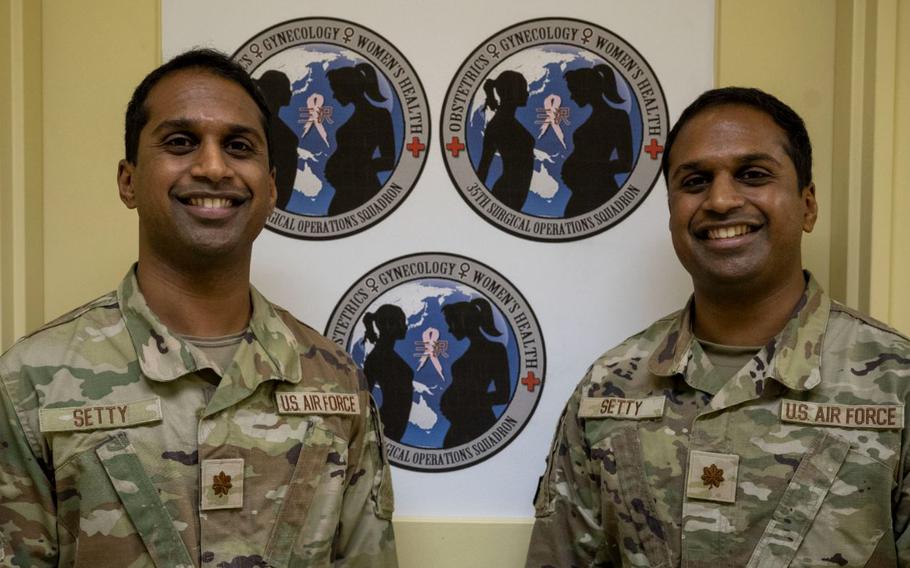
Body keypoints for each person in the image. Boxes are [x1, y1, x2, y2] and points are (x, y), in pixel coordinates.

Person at [0, 49, 398, 567]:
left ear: (271, 187)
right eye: (180, 142)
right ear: (128, 181)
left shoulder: (335, 382)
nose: (213, 167)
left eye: (238, 146)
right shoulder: (31, 382)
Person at [526, 87, 910, 566]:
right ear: (672, 211)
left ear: (808, 205)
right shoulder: (608, 386)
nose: (721, 199)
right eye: (695, 181)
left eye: (753, 175)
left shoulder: (896, 384)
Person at [561, 64, 633, 217]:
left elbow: (626, 163)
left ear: (586, 89)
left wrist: (589, 170)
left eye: (574, 91)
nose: (572, 96)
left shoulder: (618, 117)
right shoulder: (590, 120)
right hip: (582, 193)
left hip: (600, 193)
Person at [324, 63, 395, 216]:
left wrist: (354, 169)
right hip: (346, 189)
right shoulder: (354, 118)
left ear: (348, 89)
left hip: (363, 190)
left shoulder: (380, 116)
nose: (334, 96)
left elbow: (389, 160)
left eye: (336, 90)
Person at [440, 299, 511, 448]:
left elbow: (503, 395)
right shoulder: (468, 354)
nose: (450, 330)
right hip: (461, 423)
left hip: (479, 424)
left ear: (463, 321)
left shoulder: (495, 350)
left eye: (451, 323)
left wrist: (467, 402)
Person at [476, 71, 535, 212]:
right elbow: (483, 169)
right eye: (523, 89)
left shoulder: (504, 121)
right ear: (513, 92)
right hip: (506, 194)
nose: (527, 93)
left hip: (515, 195)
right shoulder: (498, 125)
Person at [363, 305, 414, 443]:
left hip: (394, 429)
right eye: (402, 322)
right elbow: (364, 398)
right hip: (387, 428)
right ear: (389, 325)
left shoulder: (385, 354)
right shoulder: (376, 358)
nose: (405, 326)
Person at [255, 69, 300, 211]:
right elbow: (283, 187)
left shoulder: (253, 123)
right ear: (277, 91)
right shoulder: (286, 136)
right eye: (287, 88)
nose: (290, 93)